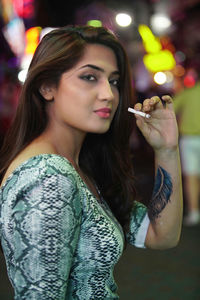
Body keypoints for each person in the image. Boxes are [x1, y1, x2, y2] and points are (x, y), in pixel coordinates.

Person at [0, 25, 182, 299]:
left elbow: (160, 235)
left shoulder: (79, 167)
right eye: (89, 77)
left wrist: (166, 149)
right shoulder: (48, 176)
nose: (108, 94)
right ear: (47, 87)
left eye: (114, 81)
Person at [174, 79, 200, 226]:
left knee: (191, 177)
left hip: (189, 139)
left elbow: (172, 107)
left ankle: (194, 212)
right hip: (189, 139)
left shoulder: (188, 92)